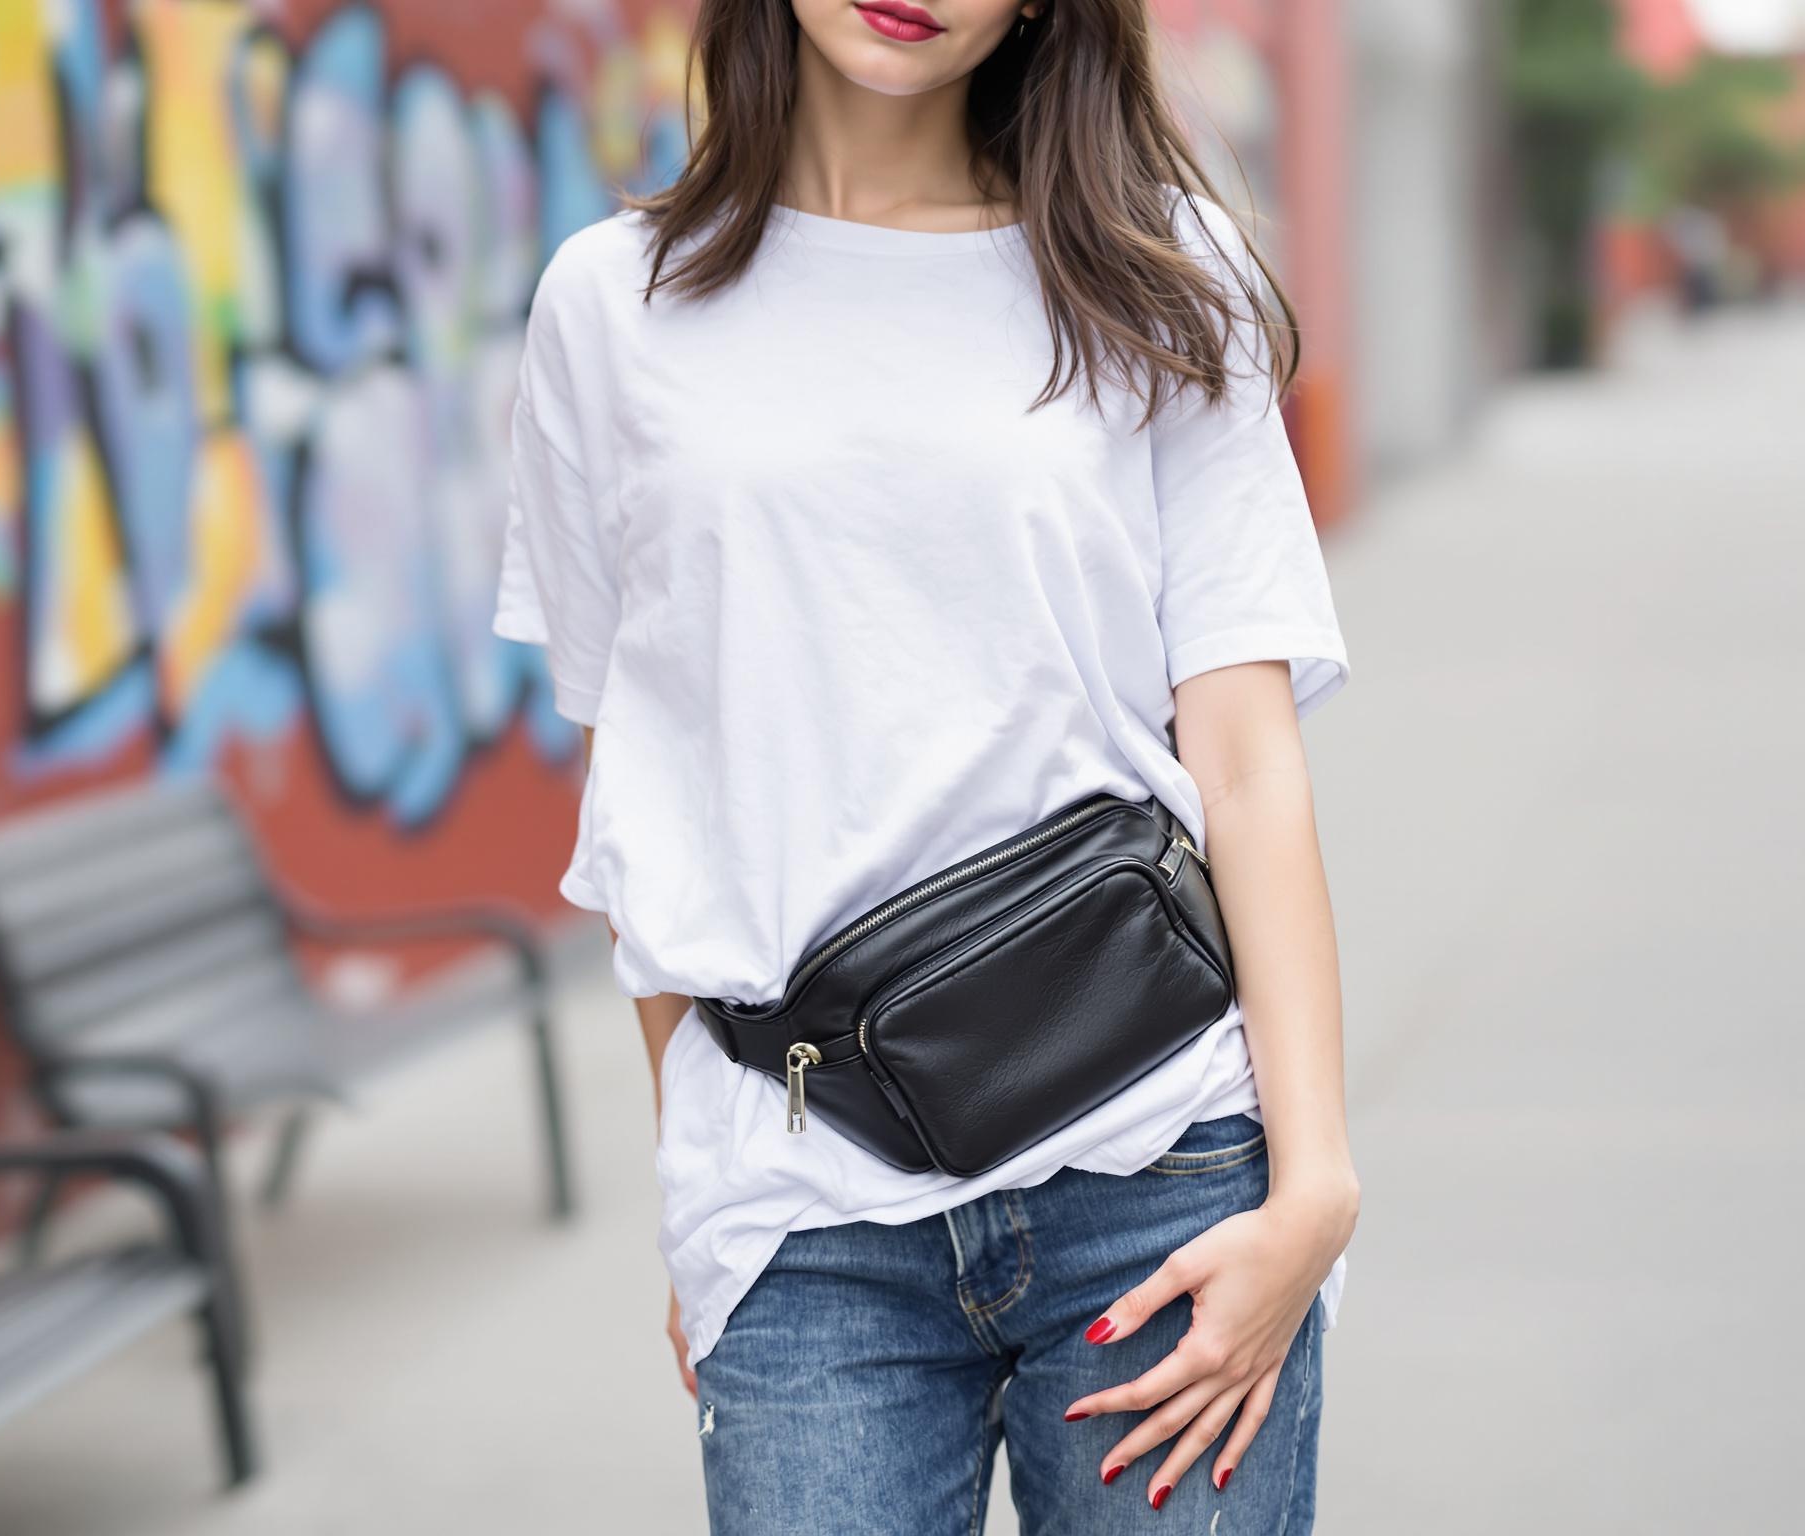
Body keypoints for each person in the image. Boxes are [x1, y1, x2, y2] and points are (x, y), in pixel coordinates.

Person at [491, 1, 1360, 1529]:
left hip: (1152, 1171)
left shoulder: (1157, 272)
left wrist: (1314, 1191)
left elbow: (1245, 761)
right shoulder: (609, 308)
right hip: (807, 1220)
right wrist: (703, 1188)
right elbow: (641, 786)